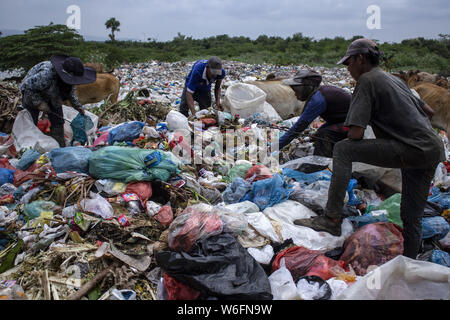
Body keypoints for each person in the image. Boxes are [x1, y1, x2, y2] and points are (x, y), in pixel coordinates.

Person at [294, 38, 445, 259]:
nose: (348, 69)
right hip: (431, 148)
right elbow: (429, 111)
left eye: (349, 63)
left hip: (409, 148)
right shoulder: (396, 81)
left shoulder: (367, 81)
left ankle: (331, 219)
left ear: (360, 59)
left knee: (344, 150)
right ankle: (410, 262)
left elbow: (355, 133)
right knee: (411, 216)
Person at [20, 55, 96, 147]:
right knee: (31, 123)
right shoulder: (45, 76)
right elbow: (26, 88)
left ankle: (59, 145)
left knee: (58, 120)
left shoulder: (68, 81)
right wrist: (39, 103)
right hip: (32, 94)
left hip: (53, 94)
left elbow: (70, 93)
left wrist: (77, 106)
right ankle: (28, 147)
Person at [279, 69, 352, 157]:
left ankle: (320, 165)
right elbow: (337, 119)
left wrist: (275, 146)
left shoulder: (318, 100)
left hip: (356, 126)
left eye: (297, 90)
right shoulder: (321, 92)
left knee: (324, 134)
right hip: (348, 122)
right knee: (321, 132)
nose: (295, 93)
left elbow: (298, 127)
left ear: (308, 87)